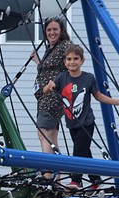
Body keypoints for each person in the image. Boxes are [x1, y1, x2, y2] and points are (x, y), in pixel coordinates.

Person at [43, 44, 119, 190]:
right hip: (71, 123)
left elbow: (98, 95)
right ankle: (95, 180)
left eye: (76, 59)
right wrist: (48, 86)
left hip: (86, 122)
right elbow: (46, 91)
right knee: (85, 152)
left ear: (82, 60)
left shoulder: (88, 78)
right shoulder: (62, 78)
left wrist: (116, 102)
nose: (72, 62)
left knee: (78, 150)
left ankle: (76, 180)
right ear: (65, 62)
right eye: (69, 59)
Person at [31, 16, 71, 180]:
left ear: (61, 31)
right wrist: (38, 62)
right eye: (49, 30)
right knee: (51, 136)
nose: (52, 32)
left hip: (51, 98)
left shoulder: (64, 47)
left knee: (44, 134)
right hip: (46, 97)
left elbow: (70, 64)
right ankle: (58, 174)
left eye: (55, 29)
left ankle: (48, 174)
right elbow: (49, 70)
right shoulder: (52, 49)